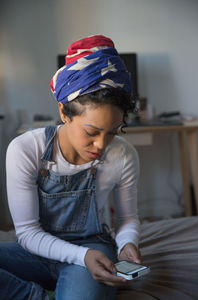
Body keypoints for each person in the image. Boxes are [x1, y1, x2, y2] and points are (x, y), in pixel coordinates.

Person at [0, 35, 141, 300]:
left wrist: (127, 244)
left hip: (95, 251)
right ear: (64, 112)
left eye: (113, 131)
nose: (101, 144)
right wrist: (80, 256)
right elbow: (28, 233)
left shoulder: (123, 155)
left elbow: (127, 219)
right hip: (35, 252)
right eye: (91, 131)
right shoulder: (25, 150)